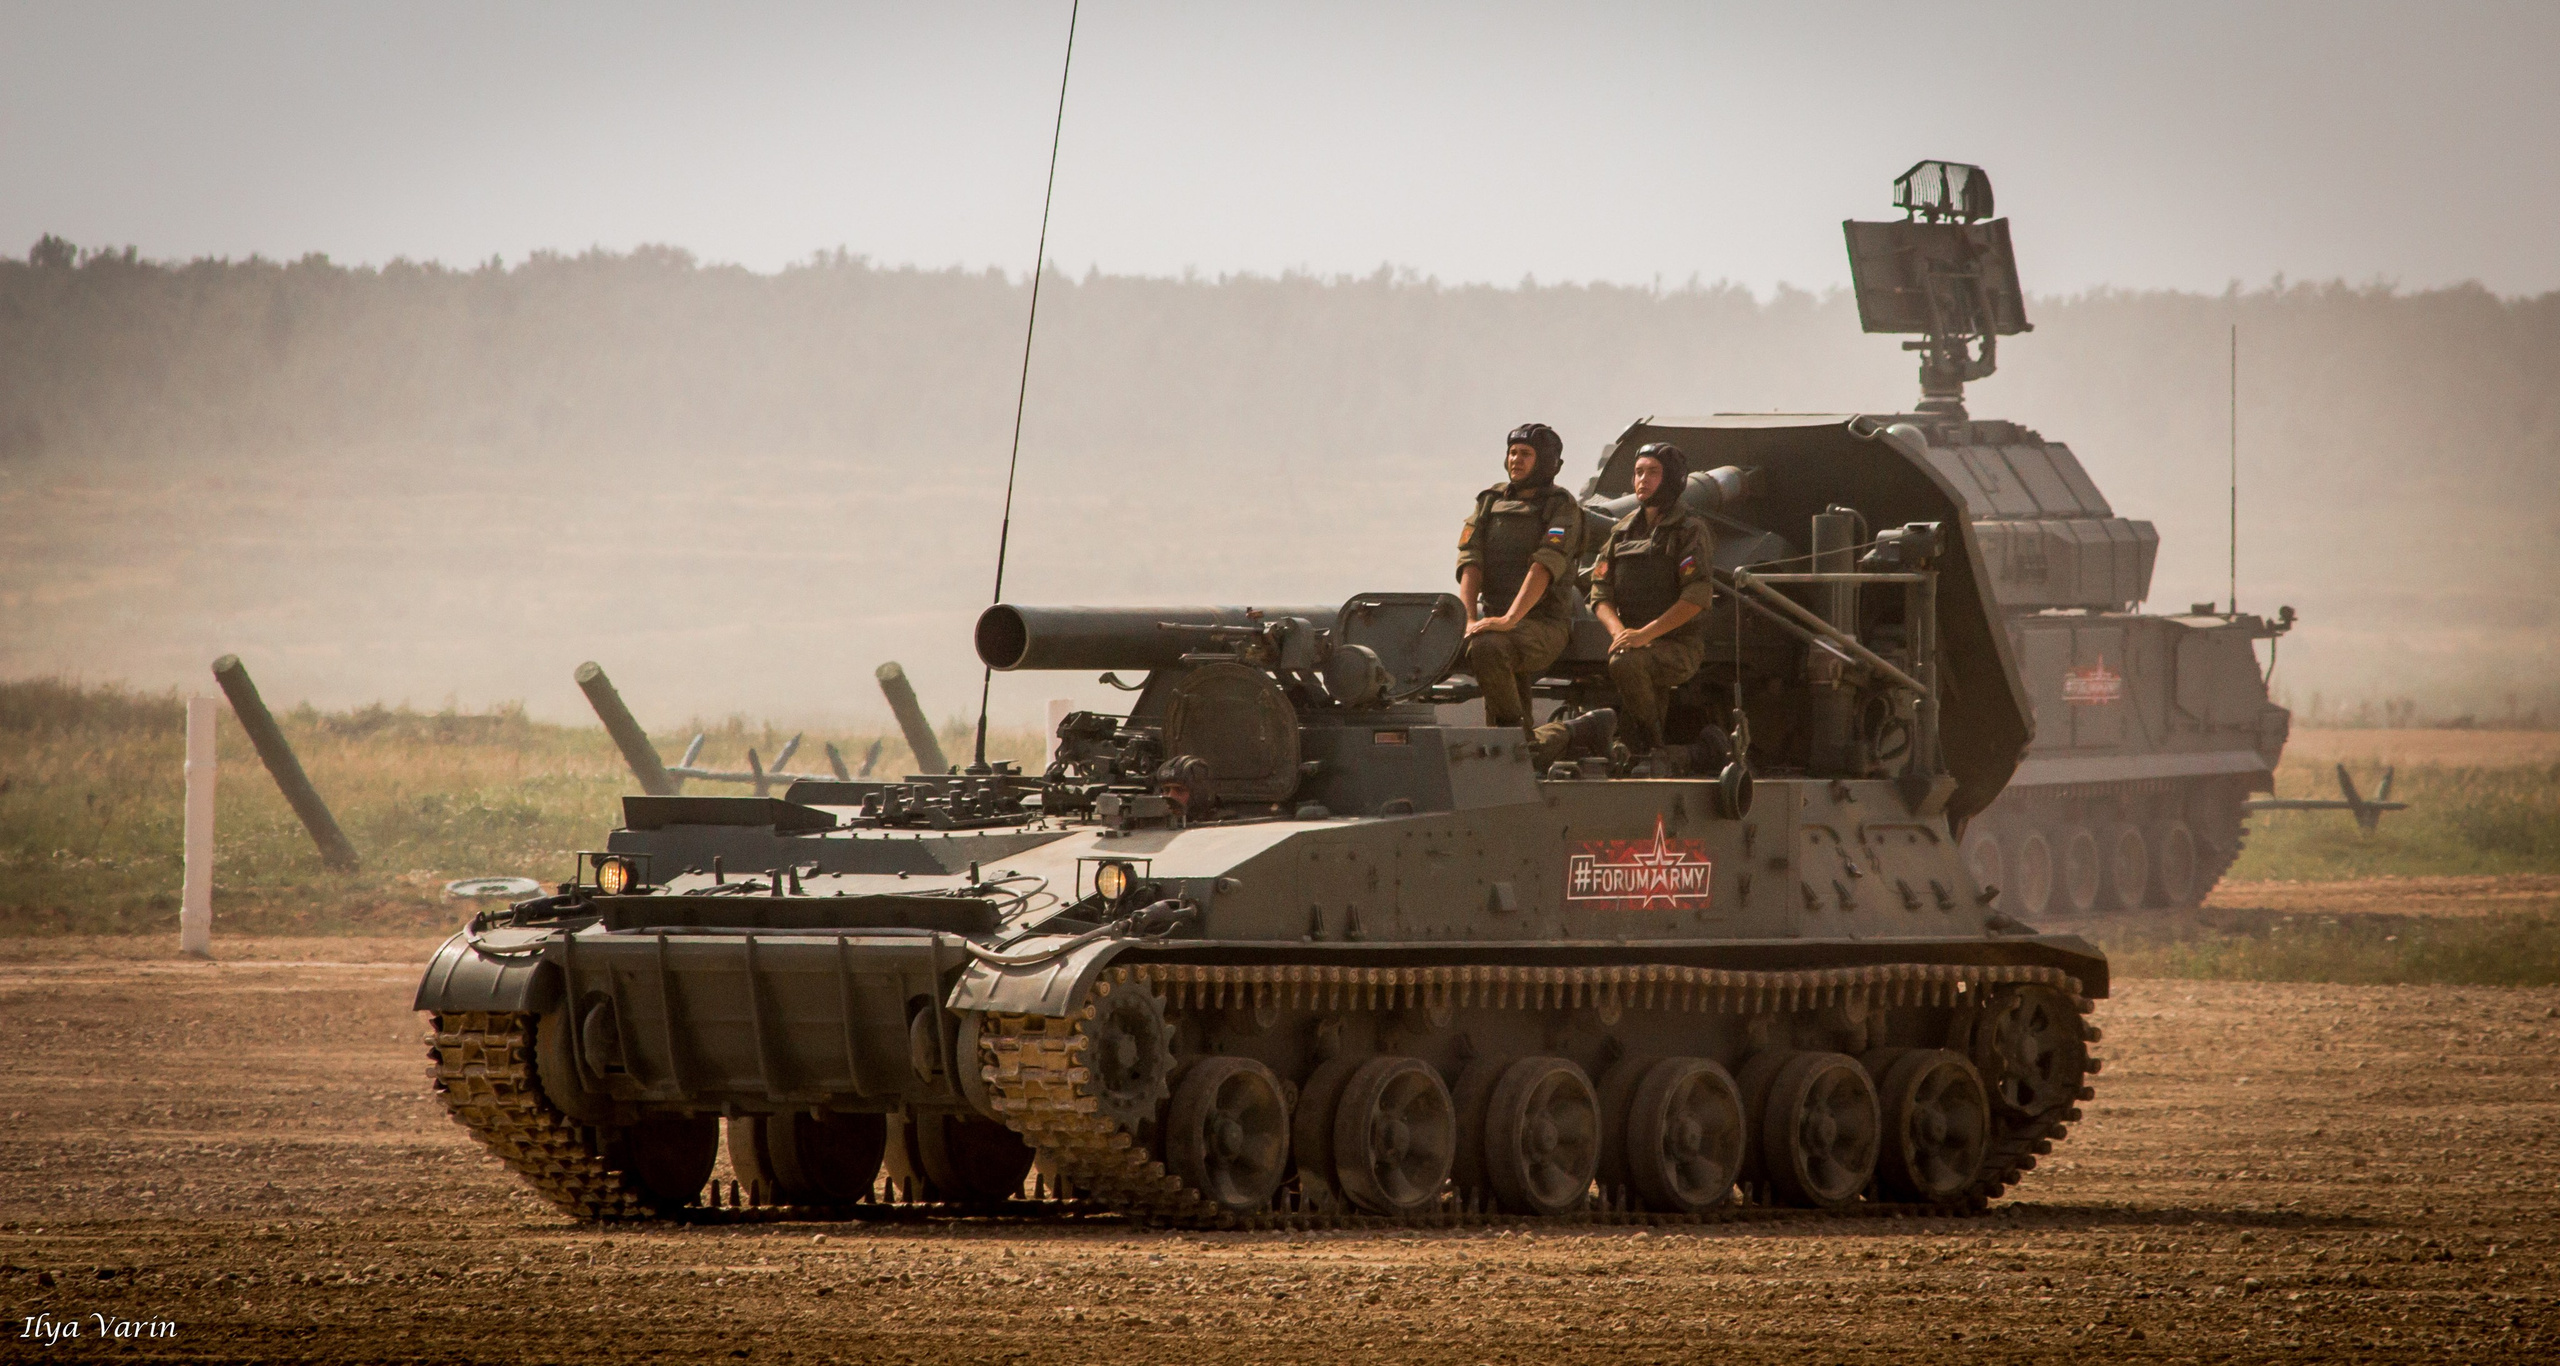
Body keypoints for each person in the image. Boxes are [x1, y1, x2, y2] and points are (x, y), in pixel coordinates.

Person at [1587, 442, 1717, 759]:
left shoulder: (1690, 529)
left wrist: (1644, 636)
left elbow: (1696, 597)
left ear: (1672, 479)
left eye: (1653, 472)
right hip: (1632, 641)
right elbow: (1600, 592)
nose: (1642, 480)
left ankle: (1652, 748)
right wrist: (1620, 633)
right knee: (1628, 659)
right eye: (1638, 472)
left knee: (1626, 662)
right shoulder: (1621, 531)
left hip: (1679, 647)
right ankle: (1635, 751)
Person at [1456, 423, 1583, 733]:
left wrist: (1511, 619)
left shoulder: (1561, 506)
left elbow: (1544, 565)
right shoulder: (1490, 500)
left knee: (1488, 648)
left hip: (1544, 624)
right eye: (1512, 452)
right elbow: (1471, 560)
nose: (1516, 459)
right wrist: (1468, 620)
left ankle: (1512, 741)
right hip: (1495, 622)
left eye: (1526, 454)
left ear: (1547, 461)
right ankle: (1537, 743)